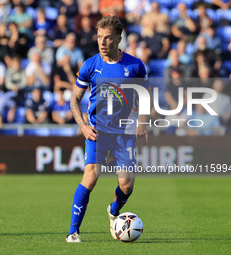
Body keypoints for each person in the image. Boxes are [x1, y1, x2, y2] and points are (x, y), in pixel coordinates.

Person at [66, 15, 149, 242]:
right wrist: (83, 126)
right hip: (97, 132)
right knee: (91, 177)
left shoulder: (134, 65)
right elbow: (74, 100)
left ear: (119, 38)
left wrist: (142, 120)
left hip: (124, 133)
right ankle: (73, 232)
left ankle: (114, 210)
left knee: (126, 184)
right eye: (99, 37)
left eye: (108, 38)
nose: (102, 42)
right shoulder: (90, 65)